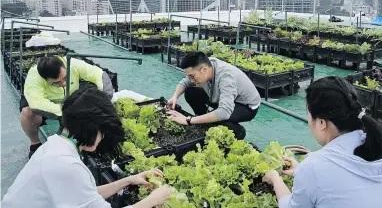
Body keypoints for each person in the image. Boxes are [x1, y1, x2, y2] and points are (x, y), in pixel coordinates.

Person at [2, 88, 171, 208]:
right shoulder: (66, 165)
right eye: (103, 131)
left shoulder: (55, 145)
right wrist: (153, 200)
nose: (103, 137)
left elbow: (86, 194)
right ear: (93, 128)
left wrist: (128, 180)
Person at [263, 76, 382, 208]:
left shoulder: (313, 166)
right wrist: (301, 172)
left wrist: (276, 179)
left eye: (308, 114)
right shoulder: (379, 147)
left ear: (321, 123)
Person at [21, 55, 115, 158]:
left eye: (65, 78)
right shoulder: (34, 76)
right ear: (44, 79)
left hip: (70, 99)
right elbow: (37, 102)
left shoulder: (72, 63)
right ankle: (35, 143)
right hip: (49, 104)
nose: (63, 84)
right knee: (27, 112)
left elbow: (97, 74)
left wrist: (103, 99)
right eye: (56, 83)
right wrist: (68, 113)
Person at [166, 51, 261, 138]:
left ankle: (238, 132)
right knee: (191, 92)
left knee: (219, 118)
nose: (191, 80)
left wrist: (188, 120)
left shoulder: (226, 77)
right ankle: (203, 121)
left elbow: (224, 112)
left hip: (245, 106)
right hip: (220, 97)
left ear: (204, 70)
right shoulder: (207, 64)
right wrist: (174, 97)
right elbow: (185, 82)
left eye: (192, 76)